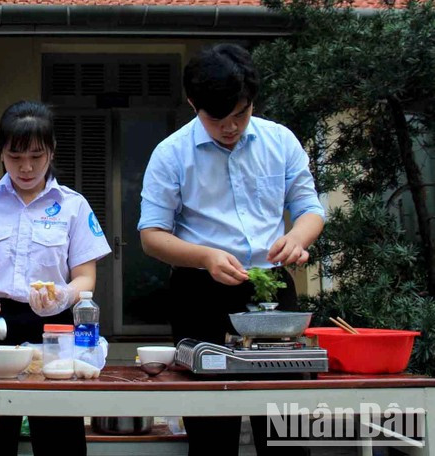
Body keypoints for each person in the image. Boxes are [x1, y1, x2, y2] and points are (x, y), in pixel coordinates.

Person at [138, 44, 325, 456]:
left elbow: (310, 209)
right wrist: (204, 256)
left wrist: (297, 239)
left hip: (271, 291)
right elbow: (152, 236)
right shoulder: (171, 154)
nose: (230, 127)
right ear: (192, 103)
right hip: (200, 294)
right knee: (211, 436)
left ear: (252, 101)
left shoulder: (281, 141)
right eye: (216, 118)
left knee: (287, 432)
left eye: (241, 114)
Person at [0, 100, 112, 456]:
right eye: (15, 156)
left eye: (36, 155)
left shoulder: (73, 206)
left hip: (55, 332)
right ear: (0, 153)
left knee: (59, 441)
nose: (26, 167)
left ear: (51, 151)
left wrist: (63, 297)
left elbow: (85, 278)